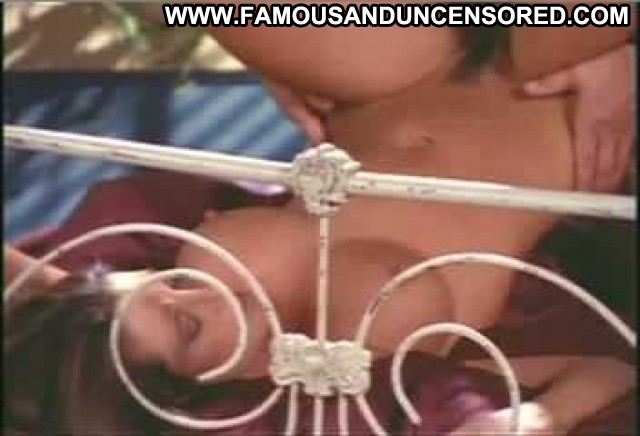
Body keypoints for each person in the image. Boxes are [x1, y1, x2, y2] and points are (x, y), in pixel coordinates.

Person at [5, 19, 635, 436]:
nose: (201, 294)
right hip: (552, 102)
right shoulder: (367, 369)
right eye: (190, 326)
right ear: (211, 394)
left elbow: (48, 291)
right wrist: (535, 420)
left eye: (168, 282)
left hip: (392, 76)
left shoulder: (163, 290)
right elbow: (610, 373)